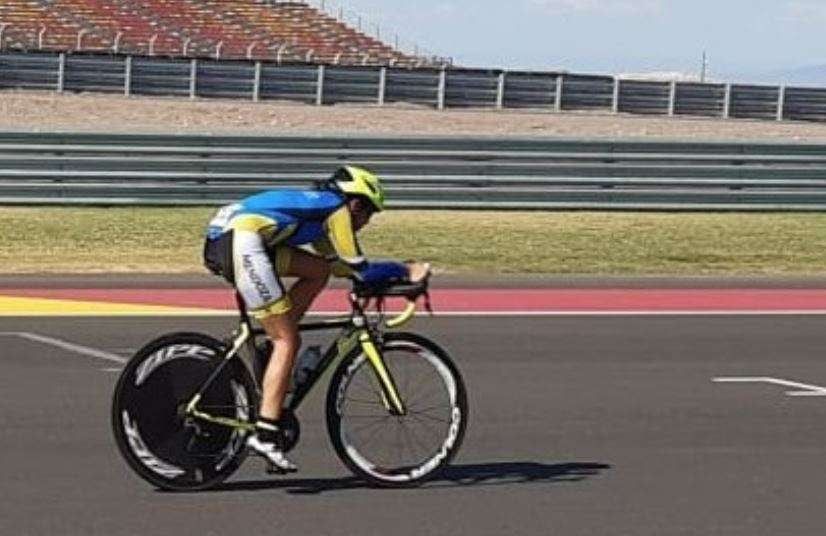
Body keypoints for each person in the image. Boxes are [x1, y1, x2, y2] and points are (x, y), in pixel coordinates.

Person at [202, 165, 428, 472]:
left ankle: (275, 346)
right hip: (241, 241)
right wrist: (406, 270)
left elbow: (336, 267)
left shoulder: (322, 213)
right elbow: (360, 269)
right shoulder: (337, 211)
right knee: (288, 341)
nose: (366, 222)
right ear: (356, 204)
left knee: (317, 270)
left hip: (234, 238)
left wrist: (374, 279)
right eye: (369, 214)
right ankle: (266, 433)